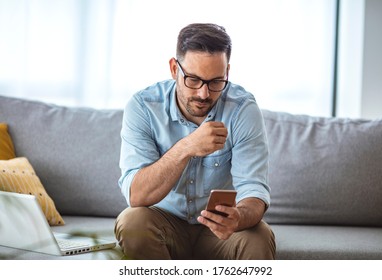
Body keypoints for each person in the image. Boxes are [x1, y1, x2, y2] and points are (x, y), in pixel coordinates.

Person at [115, 23, 276, 260]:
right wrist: (187, 147)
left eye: (215, 82)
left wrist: (238, 217)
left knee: (258, 235)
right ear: (174, 68)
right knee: (132, 221)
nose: (204, 94)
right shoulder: (143, 107)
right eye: (193, 80)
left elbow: (254, 189)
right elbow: (136, 195)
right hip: (163, 222)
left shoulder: (242, 109)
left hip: (218, 232)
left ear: (227, 73)